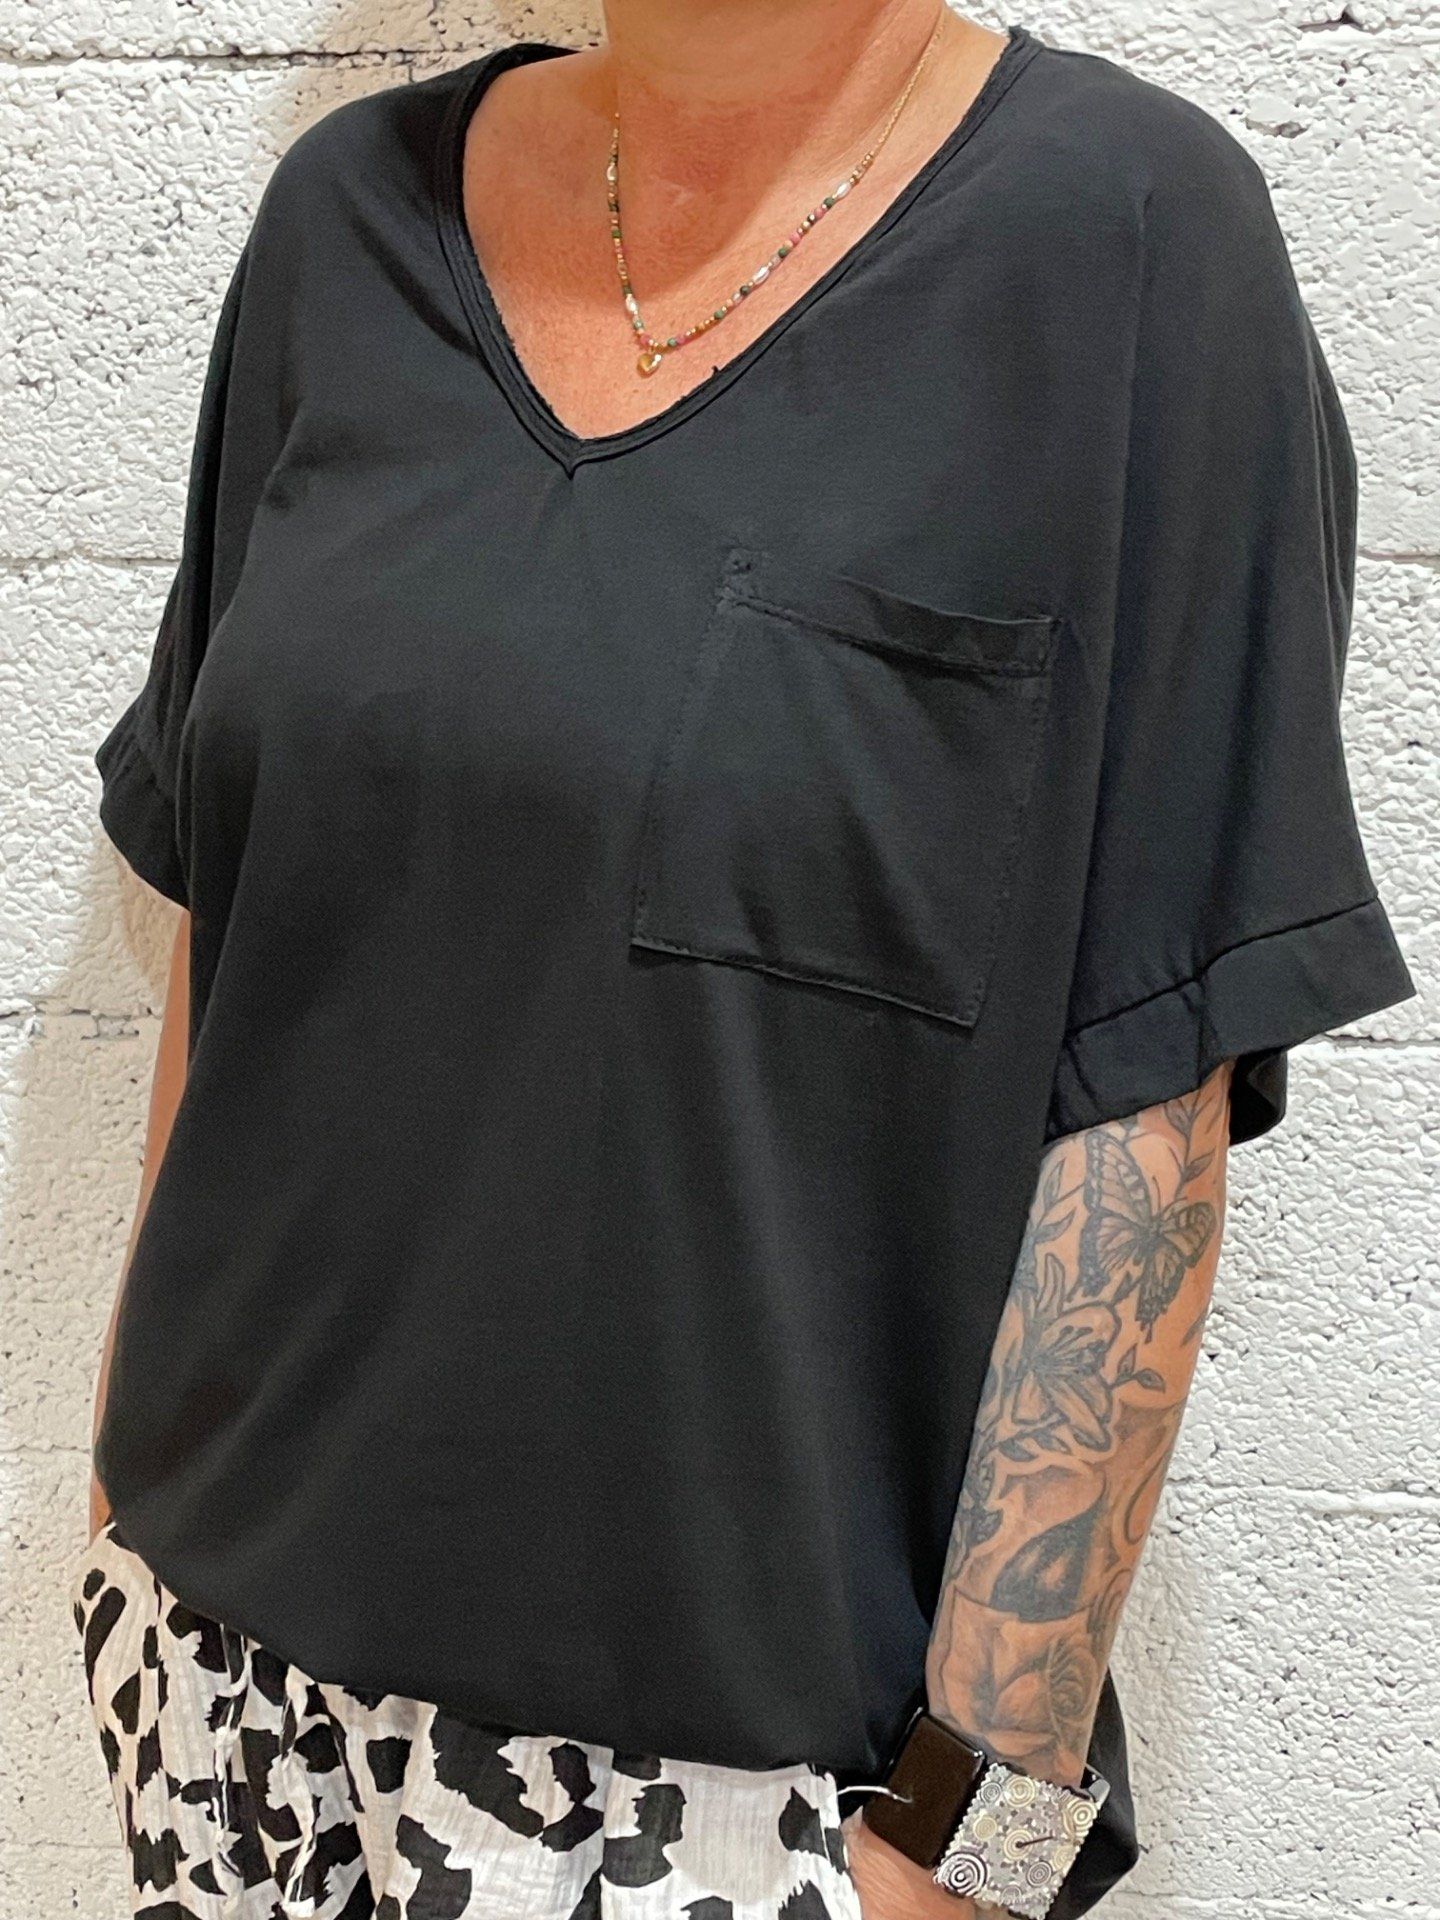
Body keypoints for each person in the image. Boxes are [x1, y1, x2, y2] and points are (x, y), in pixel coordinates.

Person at [71, 3, 1416, 1917]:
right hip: (226, 1705)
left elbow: (1149, 1087)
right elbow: (237, 911)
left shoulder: (1132, 245)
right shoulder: (343, 220)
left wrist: (972, 1861)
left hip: (736, 1812)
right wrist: (121, 1514)